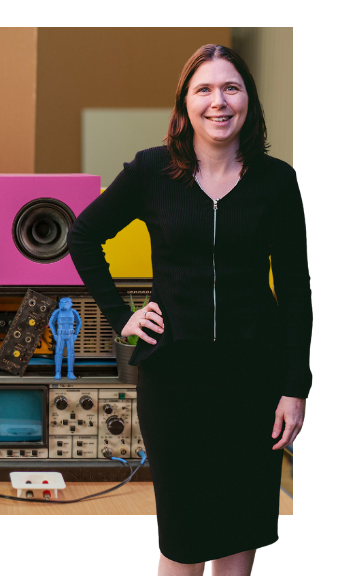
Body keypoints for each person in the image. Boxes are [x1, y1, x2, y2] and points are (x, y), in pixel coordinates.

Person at [66, 44, 310, 576]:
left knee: (241, 527)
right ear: (185, 103)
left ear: (248, 100)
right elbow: (82, 237)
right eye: (204, 89)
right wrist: (120, 316)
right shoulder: (153, 172)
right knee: (184, 535)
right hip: (175, 378)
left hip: (254, 379)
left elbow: (295, 288)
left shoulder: (277, 181)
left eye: (231, 87)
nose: (218, 102)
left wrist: (296, 386)